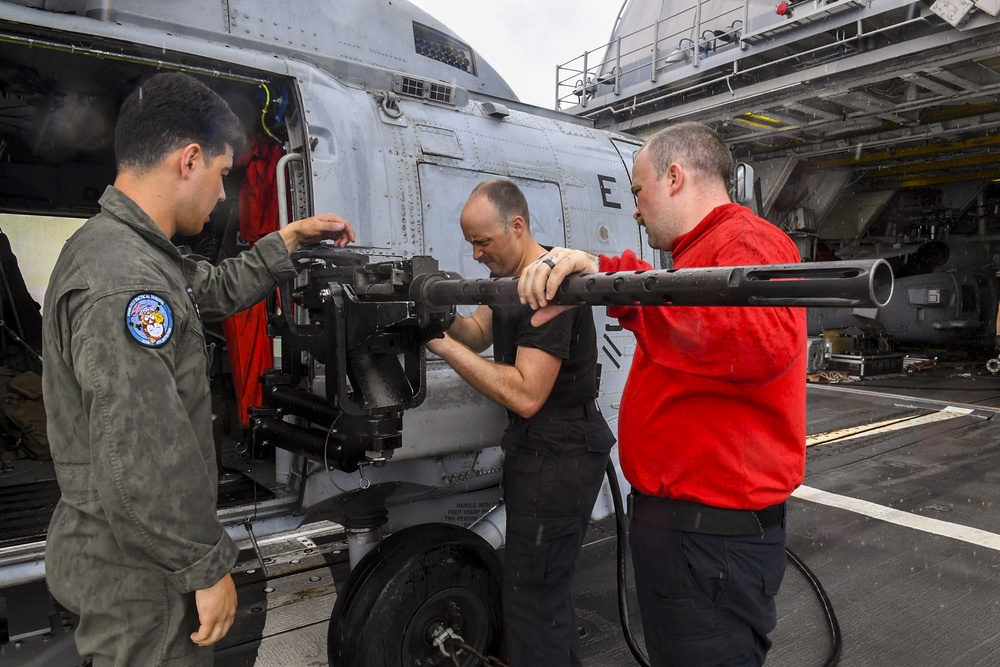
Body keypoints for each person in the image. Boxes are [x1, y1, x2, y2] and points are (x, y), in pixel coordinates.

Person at [42, 72, 355, 667]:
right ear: (189, 160)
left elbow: (206, 289)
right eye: (221, 174)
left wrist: (284, 242)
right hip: (144, 575)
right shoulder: (125, 282)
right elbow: (140, 458)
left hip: (133, 556)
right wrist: (206, 567)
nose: (220, 195)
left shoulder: (132, 253)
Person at [518, 122, 806, 667]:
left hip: (708, 545)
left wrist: (623, 288)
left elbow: (756, 341)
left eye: (638, 190)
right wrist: (613, 277)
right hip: (690, 539)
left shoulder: (747, 243)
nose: (634, 208)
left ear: (675, 178)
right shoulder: (704, 255)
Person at [425, 179, 616, 667]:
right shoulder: (512, 280)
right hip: (541, 449)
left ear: (517, 225)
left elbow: (526, 394)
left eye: (483, 242)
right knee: (539, 594)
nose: (475, 255)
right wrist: (434, 313)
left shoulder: (552, 285)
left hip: (560, 453)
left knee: (535, 599)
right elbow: (475, 333)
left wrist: (437, 345)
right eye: (470, 243)